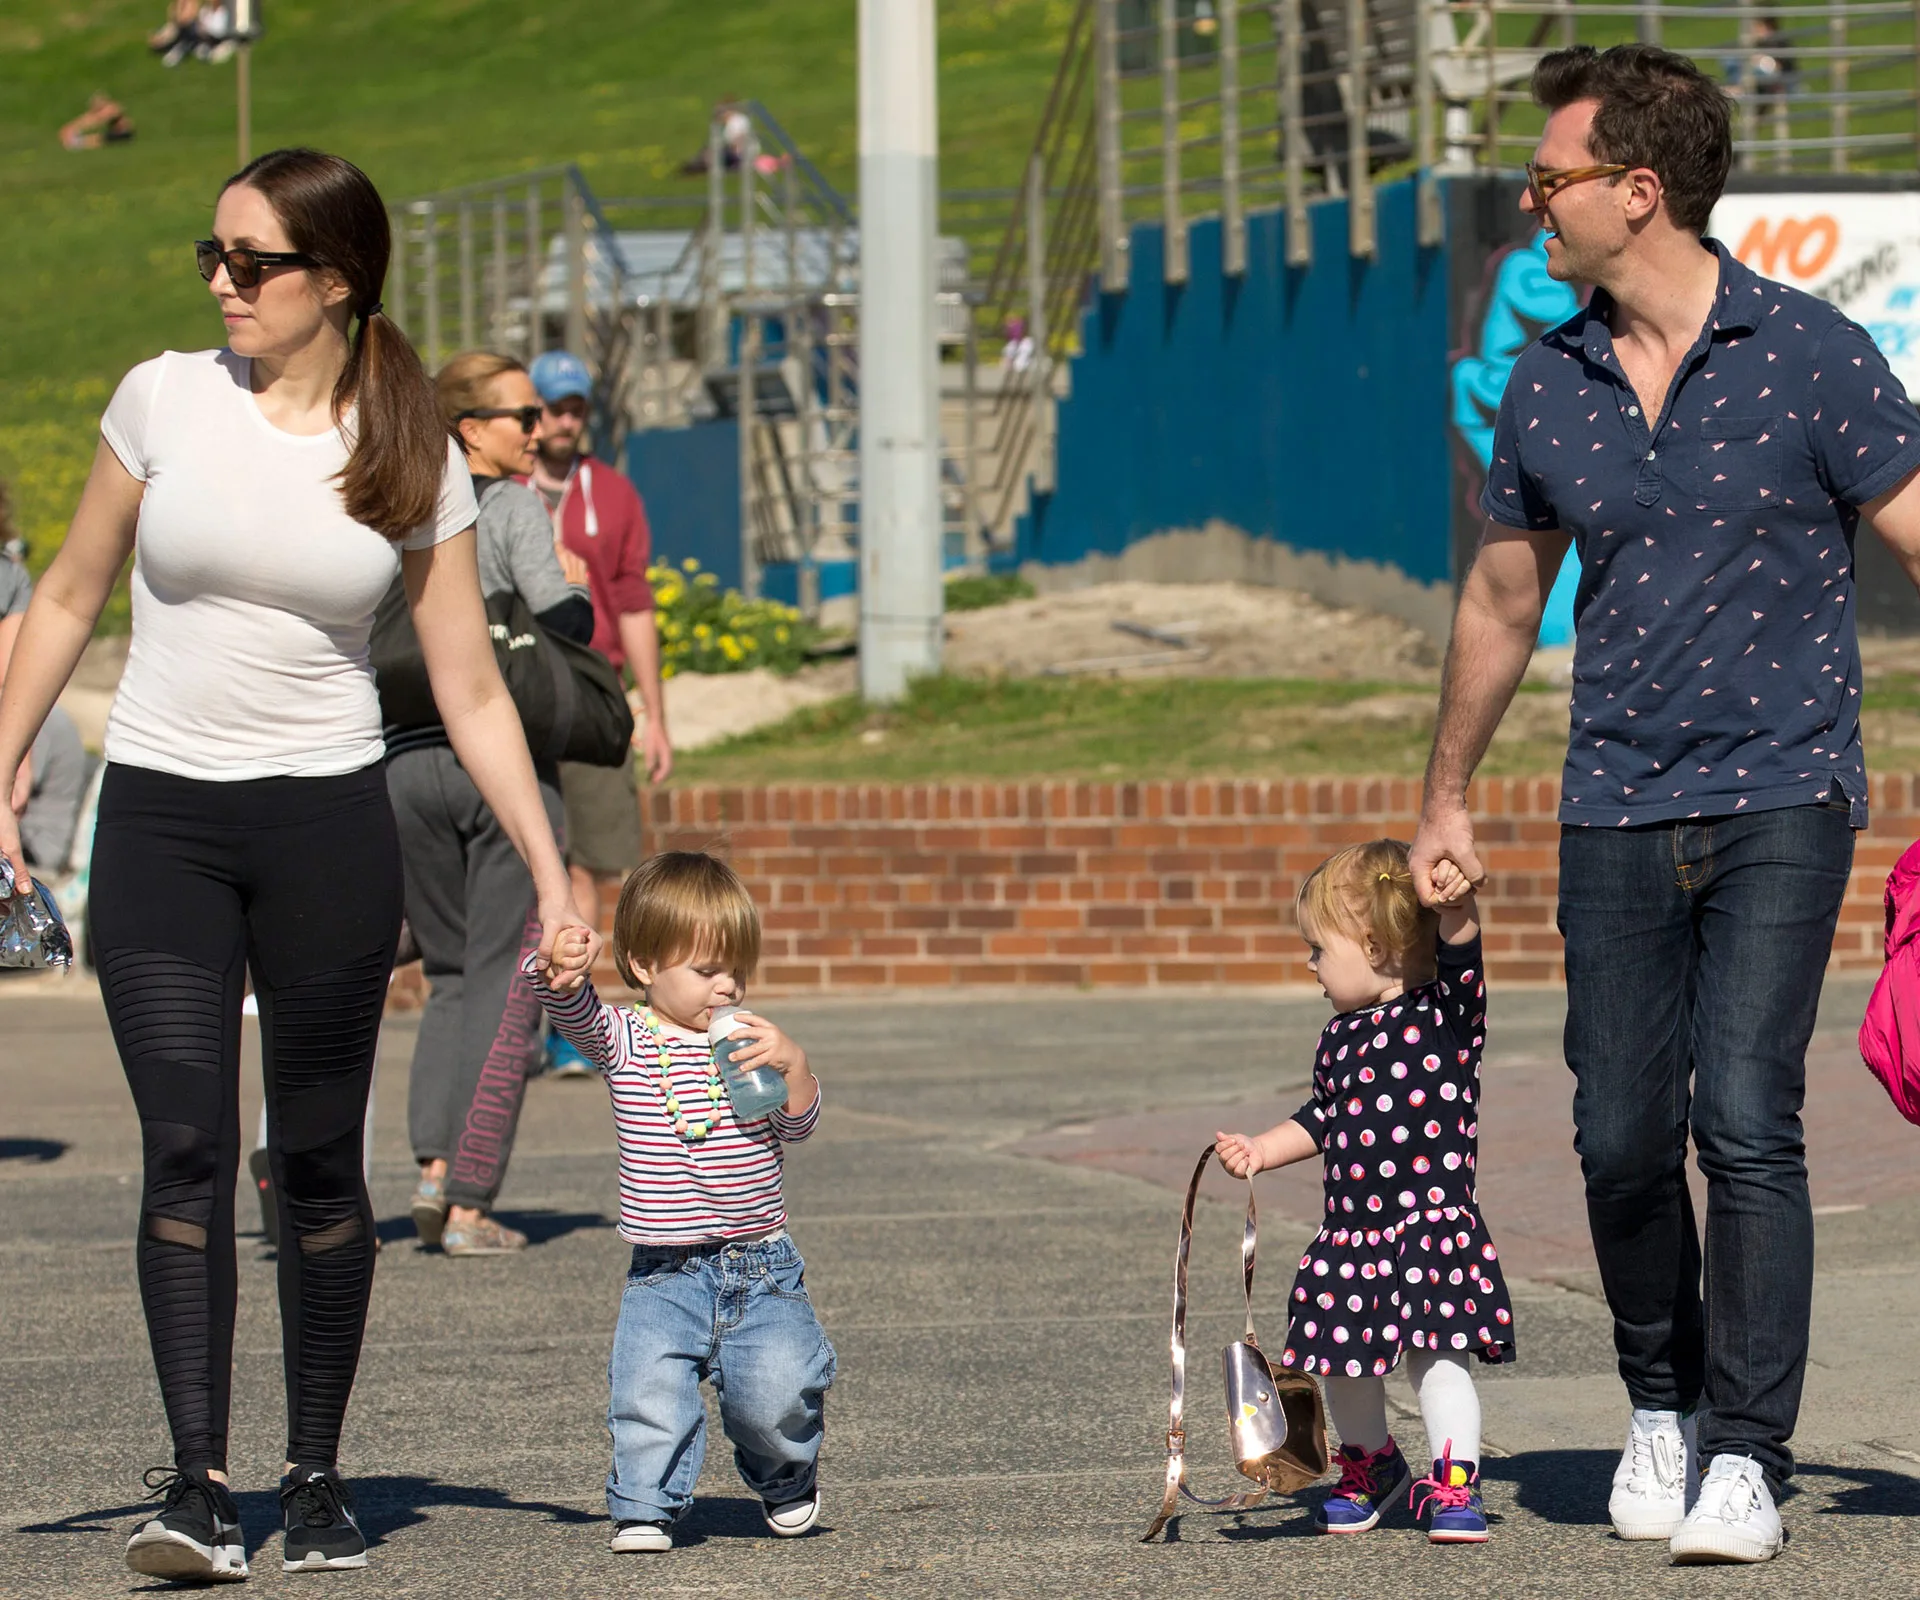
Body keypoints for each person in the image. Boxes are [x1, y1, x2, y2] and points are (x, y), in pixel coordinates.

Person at [0, 147, 596, 1584]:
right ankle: (198, 1487)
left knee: (316, 1166)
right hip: (161, 820)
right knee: (186, 1148)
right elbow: (72, 588)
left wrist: (556, 878)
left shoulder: (410, 449)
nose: (222, 282)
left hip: (331, 825)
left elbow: (465, 687)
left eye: (251, 261)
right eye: (211, 254)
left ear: (335, 280)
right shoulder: (160, 399)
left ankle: (315, 1474)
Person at [1408, 43, 1920, 1566]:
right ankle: (1661, 1402)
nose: (1530, 199)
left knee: (1748, 1119)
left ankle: (1750, 1455)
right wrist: (1444, 796)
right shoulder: (1545, 382)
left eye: (1550, 175)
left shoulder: (1813, 352)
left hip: (1784, 790)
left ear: (1639, 190)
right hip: (1614, 797)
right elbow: (1504, 603)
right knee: (1623, 1133)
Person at [527, 851, 834, 1553]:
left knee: (776, 1394)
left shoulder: (750, 1042)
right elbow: (577, 1018)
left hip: (761, 1265)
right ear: (642, 967)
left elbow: (798, 1126)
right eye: (705, 972)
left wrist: (794, 1066)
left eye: (736, 971)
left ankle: (784, 1471)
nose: (725, 988)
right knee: (648, 1394)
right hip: (665, 1270)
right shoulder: (629, 1042)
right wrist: (561, 975)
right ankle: (644, 1504)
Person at [1215, 840, 1512, 1544]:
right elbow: (1323, 1115)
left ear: (1374, 945)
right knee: (1342, 1365)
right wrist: (1261, 1150)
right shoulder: (1338, 1040)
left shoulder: (1447, 1017)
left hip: (1429, 1231)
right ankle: (1371, 1465)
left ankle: (1454, 1481)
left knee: (1438, 1359)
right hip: (1353, 1236)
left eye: (1319, 949)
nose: (1310, 963)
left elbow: (1462, 953)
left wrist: (1457, 906)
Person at [391, 350, 595, 1256]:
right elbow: (563, 619)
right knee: (510, 987)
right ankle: (471, 1203)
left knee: (446, 979)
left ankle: (431, 1168)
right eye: (519, 416)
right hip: (497, 767)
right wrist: (579, 582)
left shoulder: (397, 506)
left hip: (405, 765)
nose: (538, 428)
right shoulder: (510, 507)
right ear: (469, 429)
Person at [523, 349, 671, 1073]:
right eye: (552, 408)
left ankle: (571, 1026)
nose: (565, 420)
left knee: (584, 861)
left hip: (590, 690)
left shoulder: (612, 493)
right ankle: (525, 1021)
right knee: (524, 858)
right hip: (513, 686)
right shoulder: (500, 490)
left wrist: (654, 711)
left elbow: (635, 603)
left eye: (576, 407)